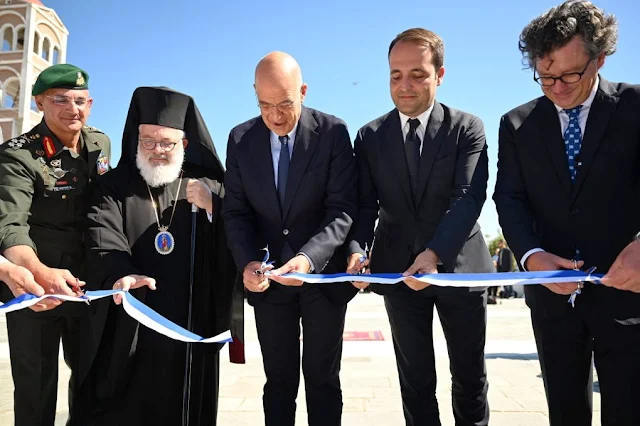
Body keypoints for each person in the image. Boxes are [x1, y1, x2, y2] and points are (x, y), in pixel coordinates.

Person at [493, 1, 640, 424]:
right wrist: (531, 256)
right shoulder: (516, 124)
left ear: (600, 58)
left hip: (629, 295)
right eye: (545, 76)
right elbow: (509, 199)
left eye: (570, 75)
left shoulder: (635, 107)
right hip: (553, 303)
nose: (556, 87)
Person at [347, 28, 493, 426]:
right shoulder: (370, 136)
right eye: (396, 75)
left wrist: (433, 254)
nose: (404, 85)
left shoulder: (467, 128)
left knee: (469, 379)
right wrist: (357, 250)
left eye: (417, 74)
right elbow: (365, 206)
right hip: (398, 271)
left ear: (439, 75)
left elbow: (468, 198)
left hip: (460, 269)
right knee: (414, 382)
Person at [77, 86, 238, 425]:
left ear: (185, 144)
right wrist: (120, 270)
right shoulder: (113, 186)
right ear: (136, 140)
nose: (157, 151)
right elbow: (100, 231)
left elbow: (240, 231)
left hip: (191, 321)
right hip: (133, 319)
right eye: (148, 141)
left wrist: (214, 205)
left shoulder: (209, 185)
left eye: (167, 143)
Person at [222, 51, 357, 426]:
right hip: (269, 285)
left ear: (303, 91)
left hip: (322, 279)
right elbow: (236, 212)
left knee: (323, 381)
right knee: (278, 383)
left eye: (284, 104)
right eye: (265, 105)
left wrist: (308, 259)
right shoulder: (240, 139)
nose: (275, 116)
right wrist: (247, 262)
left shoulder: (333, 133)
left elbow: (342, 209)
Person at [0, 63, 111, 426]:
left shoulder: (100, 143)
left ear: (89, 104)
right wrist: (38, 272)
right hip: (35, 285)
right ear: (40, 103)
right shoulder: (18, 155)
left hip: (87, 284)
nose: (71, 108)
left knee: (92, 378)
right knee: (36, 386)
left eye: (79, 100)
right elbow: (10, 226)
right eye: (60, 99)